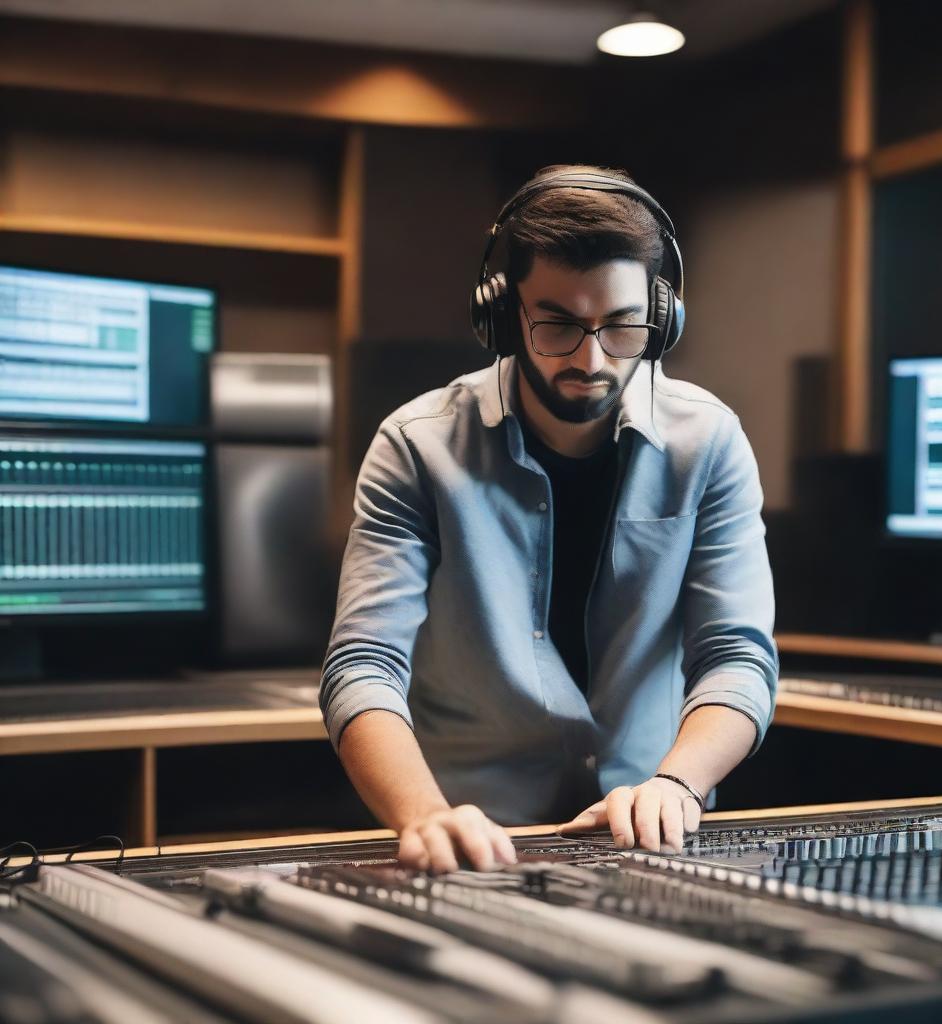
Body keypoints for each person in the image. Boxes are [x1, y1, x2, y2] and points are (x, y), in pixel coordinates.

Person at [320, 164, 778, 874]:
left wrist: (677, 782)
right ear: (503, 314)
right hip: (467, 844)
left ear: (659, 319)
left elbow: (737, 659)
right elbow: (363, 666)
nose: (591, 359)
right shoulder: (415, 446)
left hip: (648, 838)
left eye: (621, 326)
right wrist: (425, 816)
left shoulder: (710, 443)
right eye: (558, 325)